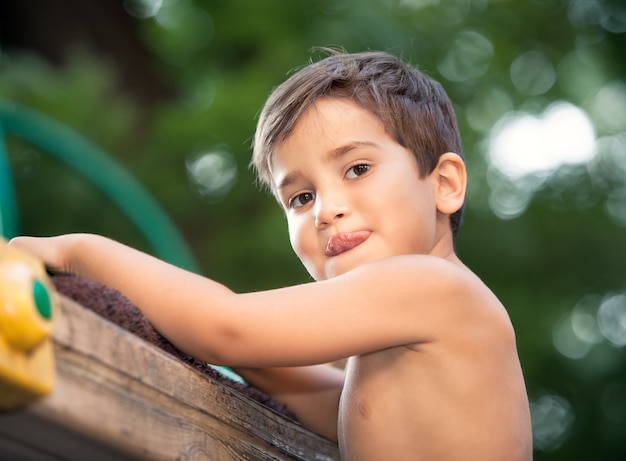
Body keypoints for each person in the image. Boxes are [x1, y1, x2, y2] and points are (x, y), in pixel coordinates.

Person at [10, 50, 533, 460]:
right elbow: (310, 391)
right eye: (301, 198)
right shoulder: (400, 348)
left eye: (356, 169)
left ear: (444, 184)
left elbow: (228, 327)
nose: (326, 211)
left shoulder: (434, 287)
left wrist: (79, 251)